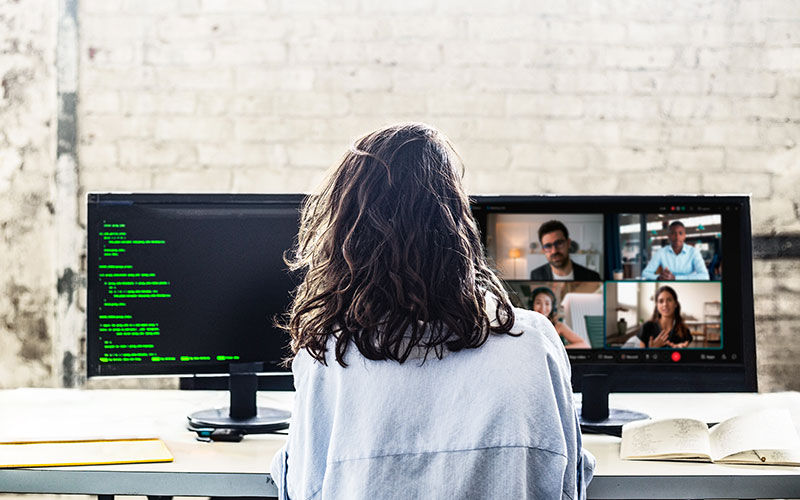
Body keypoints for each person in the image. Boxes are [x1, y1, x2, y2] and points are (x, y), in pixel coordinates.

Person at [270, 123, 594, 499]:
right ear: (459, 225)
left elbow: (303, 490)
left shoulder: (330, 356)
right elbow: (569, 482)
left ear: (348, 237)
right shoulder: (534, 342)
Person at [529, 220, 601, 281]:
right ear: (543, 250)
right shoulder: (535, 275)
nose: (554, 251)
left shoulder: (592, 277)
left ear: (569, 243)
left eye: (559, 243)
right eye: (548, 246)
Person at [641, 221, 709, 280]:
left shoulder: (694, 252)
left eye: (680, 233)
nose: (677, 237)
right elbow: (645, 273)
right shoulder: (661, 252)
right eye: (673, 233)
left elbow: (705, 276)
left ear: (684, 236)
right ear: (669, 236)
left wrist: (675, 278)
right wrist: (659, 277)